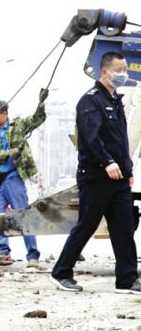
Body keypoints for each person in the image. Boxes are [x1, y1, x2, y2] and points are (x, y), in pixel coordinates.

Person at [51, 52, 141, 293]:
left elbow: (120, 140)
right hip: (96, 176)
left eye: (125, 70)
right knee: (87, 225)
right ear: (104, 72)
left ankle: (127, 279)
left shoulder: (115, 100)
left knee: (123, 227)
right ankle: (61, 272)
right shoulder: (90, 101)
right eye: (119, 70)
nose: (124, 74)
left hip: (119, 178)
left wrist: (127, 169)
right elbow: (91, 138)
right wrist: (107, 162)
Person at [0, 90, 47, 268]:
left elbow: (36, 120)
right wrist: (11, 152)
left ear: (4, 114)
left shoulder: (18, 125)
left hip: (14, 179)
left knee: (24, 216)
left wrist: (40, 105)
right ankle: (2, 253)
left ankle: (33, 256)